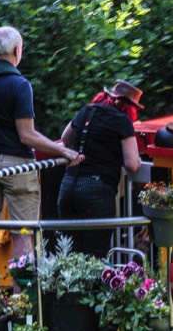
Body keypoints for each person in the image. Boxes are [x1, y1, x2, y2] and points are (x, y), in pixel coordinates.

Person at [0, 26, 79, 271]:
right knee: (23, 234)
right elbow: (27, 135)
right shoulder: (20, 84)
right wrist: (63, 151)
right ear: (16, 50)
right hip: (17, 168)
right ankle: (20, 305)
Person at [56, 80, 143, 257]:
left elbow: (65, 138)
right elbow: (132, 164)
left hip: (68, 185)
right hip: (96, 192)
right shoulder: (122, 120)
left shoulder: (86, 111)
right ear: (128, 105)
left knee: (69, 252)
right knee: (95, 255)